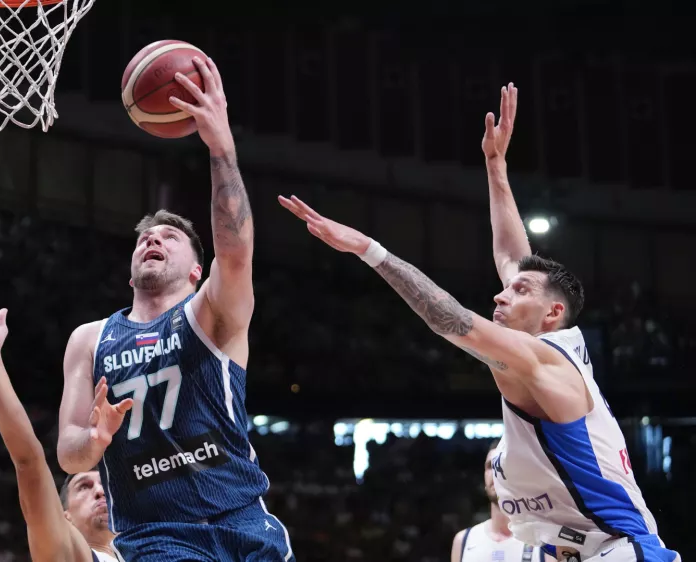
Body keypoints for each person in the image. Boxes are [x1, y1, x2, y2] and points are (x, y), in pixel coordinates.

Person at [278, 83, 679, 562]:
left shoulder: (542, 361)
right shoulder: (546, 345)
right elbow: (512, 256)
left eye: (519, 291)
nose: (500, 291)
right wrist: (496, 167)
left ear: (553, 314)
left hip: (621, 552)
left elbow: (449, 320)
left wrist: (370, 250)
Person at [55, 56, 293, 562]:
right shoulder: (90, 338)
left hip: (245, 521)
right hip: (157, 535)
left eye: (168, 236)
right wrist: (93, 443)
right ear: (130, 268)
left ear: (195, 270)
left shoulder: (210, 314)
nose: (151, 240)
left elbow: (234, 250)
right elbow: (68, 451)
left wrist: (221, 147)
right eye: (144, 238)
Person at [0, 287, 122, 562]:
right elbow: (29, 462)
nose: (100, 490)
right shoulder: (65, 552)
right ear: (65, 517)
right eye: (84, 487)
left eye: (104, 487)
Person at [452, 440, 555, 562]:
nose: (496, 472)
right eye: (490, 466)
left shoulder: (545, 541)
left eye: (502, 464)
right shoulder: (464, 540)